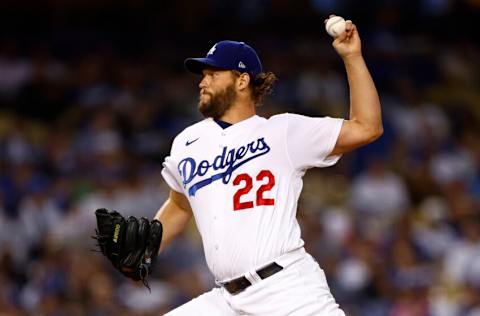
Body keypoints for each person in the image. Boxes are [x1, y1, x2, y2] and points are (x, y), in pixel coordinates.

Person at [158, 16, 382, 315]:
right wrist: (144, 250)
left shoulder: (282, 132)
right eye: (203, 74)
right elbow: (180, 204)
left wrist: (352, 57)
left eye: (213, 73)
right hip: (226, 299)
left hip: (286, 289)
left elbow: (367, 127)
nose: (202, 81)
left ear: (242, 80)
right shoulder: (189, 141)